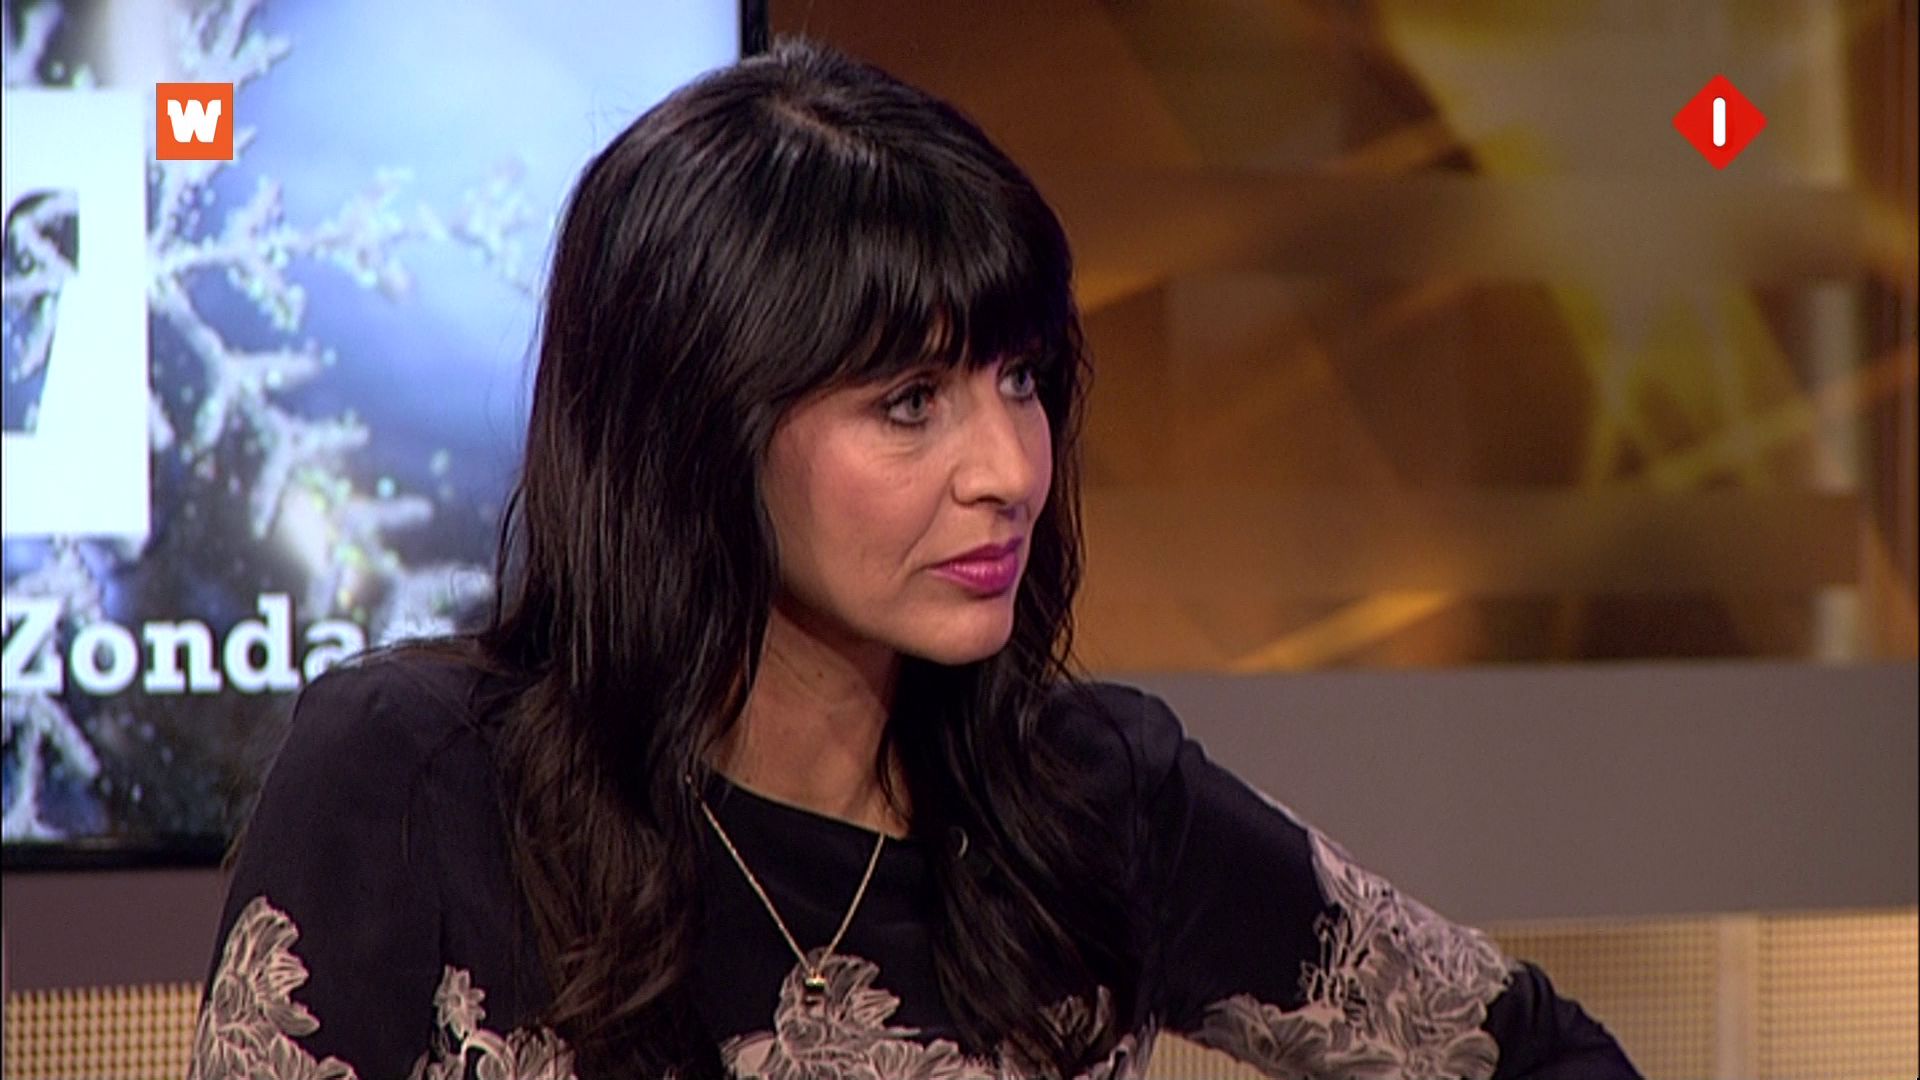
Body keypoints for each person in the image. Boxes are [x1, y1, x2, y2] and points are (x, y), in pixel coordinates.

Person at [186, 37, 1642, 1080]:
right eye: (909, 403)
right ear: (699, 426)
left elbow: (1528, 1052)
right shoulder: (413, 781)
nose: (1008, 469)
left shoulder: (1088, 802)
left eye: (1021, 380)